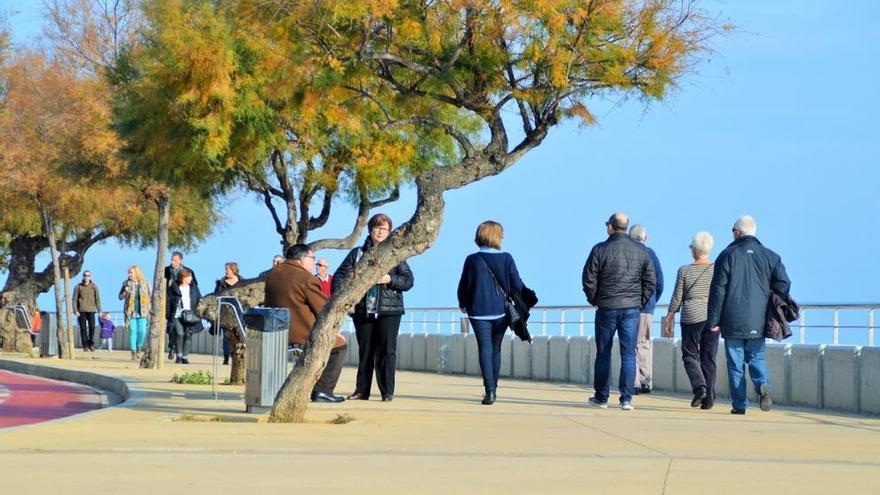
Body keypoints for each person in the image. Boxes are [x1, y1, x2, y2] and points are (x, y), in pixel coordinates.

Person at [706, 215, 790, 415]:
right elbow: (784, 283)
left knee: (735, 365)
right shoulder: (770, 256)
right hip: (758, 318)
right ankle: (762, 384)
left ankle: (740, 404)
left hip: (732, 318)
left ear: (737, 232)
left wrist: (713, 320)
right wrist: (770, 298)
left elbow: (718, 290)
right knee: (757, 357)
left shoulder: (727, 255)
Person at [334, 213, 414, 402]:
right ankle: (362, 391)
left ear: (389, 232)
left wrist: (390, 279)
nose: (380, 231)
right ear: (370, 230)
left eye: (384, 228)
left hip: (389, 311)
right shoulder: (357, 254)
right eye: (377, 227)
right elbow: (338, 277)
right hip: (363, 311)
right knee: (366, 351)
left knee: (387, 351)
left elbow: (409, 280)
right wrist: (347, 298)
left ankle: (387, 392)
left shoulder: (395, 254)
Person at [582, 212, 656, 411]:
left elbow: (588, 278)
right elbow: (651, 281)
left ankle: (602, 397)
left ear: (611, 227)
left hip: (607, 308)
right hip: (631, 309)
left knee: (604, 353)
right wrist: (639, 302)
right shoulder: (641, 251)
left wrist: (595, 299)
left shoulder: (600, 249)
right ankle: (626, 399)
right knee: (629, 354)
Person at [264, 244, 348, 402]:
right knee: (340, 345)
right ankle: (322, 390)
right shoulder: (305, 278)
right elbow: (323, 309)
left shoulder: (274, 273)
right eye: (312, 258)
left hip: (275, 330)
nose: (313, 263)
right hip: (300, 331)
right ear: (302, 259)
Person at [457, 221, 524, 405]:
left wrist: (463, 303)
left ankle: (490, 391)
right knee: (496, 349)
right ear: (497, 236)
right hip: (501, 311)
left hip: (478, 311)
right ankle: (494, 387)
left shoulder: (472, 259)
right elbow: (517, 285)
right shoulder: (507, 258)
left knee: (484, 349)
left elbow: (464, 284)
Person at [663, 232, 718, 409]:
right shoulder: (717, 268)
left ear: (694, 249)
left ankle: (699, 386)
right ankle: (708, 399)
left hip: (691, 317)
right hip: (711, 316)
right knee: (708, 357)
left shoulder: (684, 270)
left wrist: (669, 317)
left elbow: (677, 296)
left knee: (690, 355)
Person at [627, 225, 663, 394]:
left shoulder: (627, 253)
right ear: (645, 238)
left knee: (630, 344)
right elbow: (659, 283)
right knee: (644, 344)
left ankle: (633, 382)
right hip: (647, 307)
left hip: (628, 304)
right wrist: (653, 300)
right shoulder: (651, 254)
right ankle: (645, 381)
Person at [164, 251, 198, 360]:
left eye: (174, 259)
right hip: (174, 307)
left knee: (187, 334)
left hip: (188, 312)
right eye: (171, 259)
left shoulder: (189, 272)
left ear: (180, 260)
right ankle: (173, 347)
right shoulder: (166, 270)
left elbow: (195, 289)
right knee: (177, 332)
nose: (172, 262)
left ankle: (183, 356)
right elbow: (162, 287)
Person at [167, 268, 202, 364]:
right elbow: (168, 302)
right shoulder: (173, 288)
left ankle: (185, 357)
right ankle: (179, 355)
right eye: (189, 276)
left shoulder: (194, 288)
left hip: (190, 316)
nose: (191, 278)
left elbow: (200, 300)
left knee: (188, 335)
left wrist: (199, 313)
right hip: (177, 315)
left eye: (191, 276)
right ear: (183, 277)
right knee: (179, 333)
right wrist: (168, 315)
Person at [119, 265, 151, 361]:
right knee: (132, 331)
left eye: (131, 273)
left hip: (143, 312)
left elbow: (151, 296)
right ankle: (133, 352)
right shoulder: (126, 284)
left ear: (137, 273)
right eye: (128, 273)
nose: (129, 275)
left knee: (142, 331)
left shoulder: (145, 283)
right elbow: (120, 297)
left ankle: (139, 348)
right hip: (131, 312)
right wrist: (125, 292)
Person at [214, 262, 241, 365]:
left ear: (233, 270)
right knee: (226, 337)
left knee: (238, 337)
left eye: (227, 269)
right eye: (225, 269)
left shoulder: (242, 282)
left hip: (238, 313)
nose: (225, 272)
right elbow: (216, 295)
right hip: (225, 313)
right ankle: (226, 357)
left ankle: (235, 356)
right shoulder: (221, 283)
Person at [73, 270, 102, 352]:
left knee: (92, 327)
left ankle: (91, 343)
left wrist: (99, 310)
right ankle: (85, 345)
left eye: (88, 275)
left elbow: (97, 299)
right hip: (81, 311)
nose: (86, 277)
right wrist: (75, 310)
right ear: (83, 276)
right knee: (83, 329)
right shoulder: (78, 287)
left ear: (90, 277)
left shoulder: (94, 287)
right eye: (85, 275)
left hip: (92, 310)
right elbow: (74, 299)